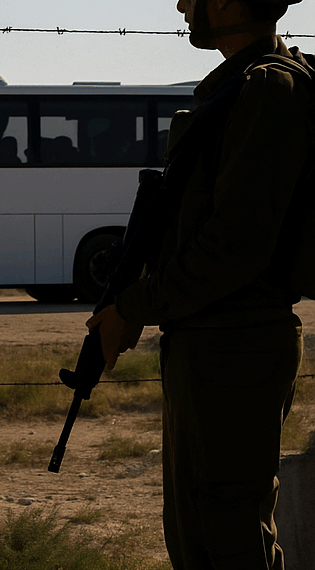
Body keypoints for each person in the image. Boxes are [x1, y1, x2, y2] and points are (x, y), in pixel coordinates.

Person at [86, 0, 312, 568]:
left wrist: (132, 307)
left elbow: (231, 250)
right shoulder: (236, 89)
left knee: (225, 538)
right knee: (201, 534)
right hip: (213, 342)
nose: (184, 5)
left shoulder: (267, 92)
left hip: (234, 343)